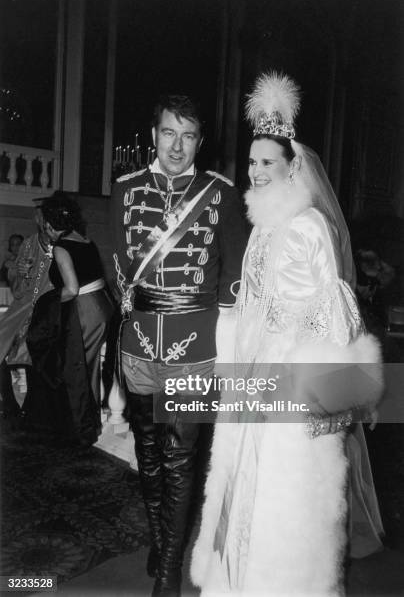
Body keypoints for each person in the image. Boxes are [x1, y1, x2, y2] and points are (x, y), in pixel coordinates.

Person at [191, 72, 384, 596]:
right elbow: (253, 305)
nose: (254, 172)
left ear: (292, 165)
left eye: (267, 162)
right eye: (251, 162)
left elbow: (333, 316)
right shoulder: (266, 227)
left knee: (284, 501)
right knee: (244, 489)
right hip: (255, 380)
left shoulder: (306, 226)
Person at [111, 94, 247, 596]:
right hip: (140, 341)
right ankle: (161, 536)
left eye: (187, 135)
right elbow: (121, 268)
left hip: (195, 345)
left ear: (199, 142)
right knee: (147, 452)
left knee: (181, 455)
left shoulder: (220, 195)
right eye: (169, 133)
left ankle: (169, 568)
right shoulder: (125, 190)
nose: (176, 145)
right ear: (154, 135)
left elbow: (232, 278)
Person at [25, 191, 114, 447]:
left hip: (85, 310)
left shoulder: (62, 247)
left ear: (51, 226)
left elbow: (72, 289)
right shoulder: (85, 239)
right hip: (102, 307)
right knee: (89, 367)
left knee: (75, 369)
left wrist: (46, 302)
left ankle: (80, 428)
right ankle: (90, 423)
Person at [0, 205, 53, 422]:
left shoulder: (62, 243)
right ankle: (10, 404)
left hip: (48, 310)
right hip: (22, 308)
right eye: (38, 216)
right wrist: (20, 274)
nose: (40, 220)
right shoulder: (29, 243)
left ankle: (33, 405)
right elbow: (18, 287)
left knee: (37, 356)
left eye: (44, 216)